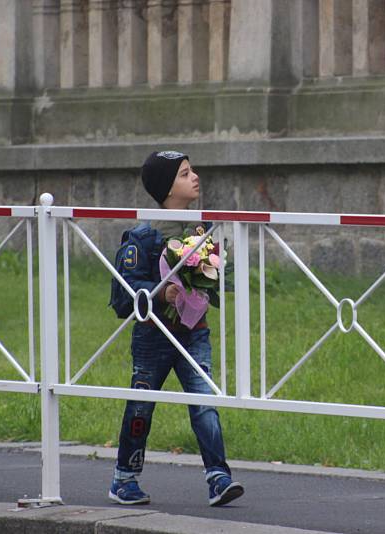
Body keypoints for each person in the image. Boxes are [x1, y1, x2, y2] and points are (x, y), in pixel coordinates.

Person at [108, 150, 244, 507]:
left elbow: (215, 277)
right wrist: (159, 293)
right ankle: (125, 477)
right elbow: (125, 295)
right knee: (141, 406)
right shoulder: (143, 236)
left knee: (204, 403)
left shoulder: (201, 229)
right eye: (185, 174)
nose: (195, 177)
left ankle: (219, 478)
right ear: (167, 189)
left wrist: (213, 276)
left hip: (194, 331)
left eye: (192, 170)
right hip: (154, 336)